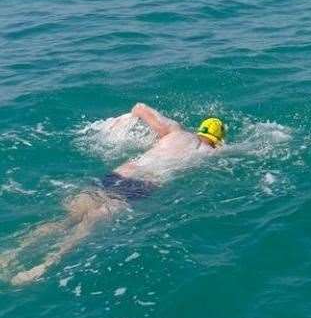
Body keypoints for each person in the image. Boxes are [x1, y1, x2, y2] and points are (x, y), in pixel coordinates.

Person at [1, 103, 225, 286]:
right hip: (140, 186)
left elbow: (139, 107)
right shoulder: (209, 153)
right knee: (86, 228)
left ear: (199, 128)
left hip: (118, 174)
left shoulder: (175, 131)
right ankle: (45, 264)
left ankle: (12, 254)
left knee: (65, 220)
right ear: (218, 140)